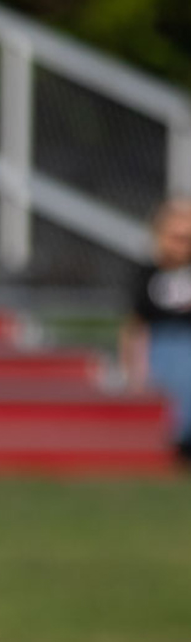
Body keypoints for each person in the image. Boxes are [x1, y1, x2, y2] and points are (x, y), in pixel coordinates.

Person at [121, 197, 191, 462]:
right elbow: (134, 326)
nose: (182, 245)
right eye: (176, 238)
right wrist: (132, 370)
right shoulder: (147, 275)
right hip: (162, 346)